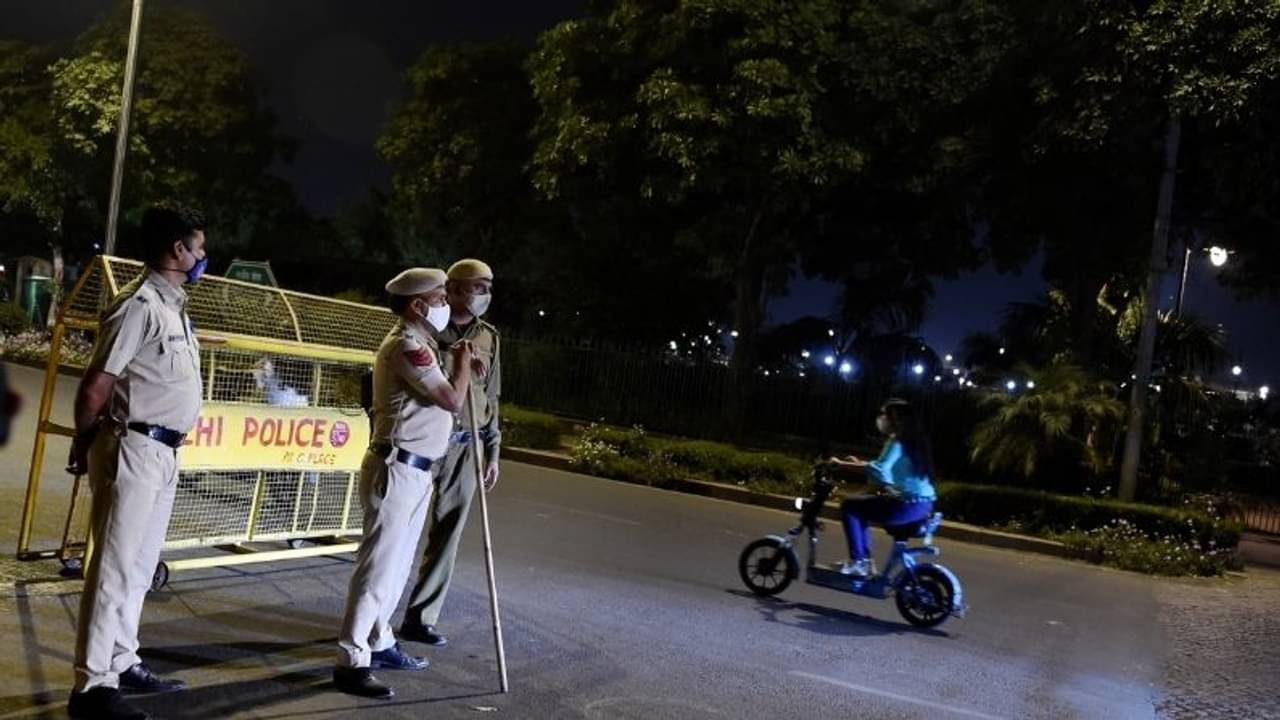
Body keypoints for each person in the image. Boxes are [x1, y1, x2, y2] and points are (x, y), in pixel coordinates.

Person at [66, 205, 209, 720]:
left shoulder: (174, 307)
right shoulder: (140, 306)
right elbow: (96, 387)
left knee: (139, 568)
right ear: (177, 251)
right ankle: (93, 688)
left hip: (162, 452)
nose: (202, 257)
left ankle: (122, 661)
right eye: (198, 248)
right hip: (133, 447)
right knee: (113, 569)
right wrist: (84, 443)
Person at [333, 267, 481, 700]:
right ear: (418, 305)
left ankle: (379, 642)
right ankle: (351, 659)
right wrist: (462, 368)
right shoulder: (406, 346)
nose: (444, 306)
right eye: (438, 299)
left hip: (417, 471)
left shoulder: (425, 345)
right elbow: (451, 398)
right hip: (396, 468)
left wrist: (459, 362)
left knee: (396, 569)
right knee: (378, 568)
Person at [401, 258, 500, 648]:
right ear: (455, 289)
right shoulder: (425, 329)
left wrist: (492, 450)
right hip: (425, 443)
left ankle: (421, 617)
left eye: (490, 287)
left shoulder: (489, 337)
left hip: (466, 446)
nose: (487, 295)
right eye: (480, 287)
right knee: (404, 531)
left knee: (448, 536)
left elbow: (491, 396)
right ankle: (376, 615)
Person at [827, 399, 937, 577]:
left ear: (897, 419)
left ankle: (858, 562)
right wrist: (859, 464)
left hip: (906, 506)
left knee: (850, 507)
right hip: (922, 505)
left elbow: (880, 470)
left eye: (886, 415)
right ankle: (865, 562)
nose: (882, 419)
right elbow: (884, 468)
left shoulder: (898, 441)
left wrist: (840, 464)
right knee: (861, 506)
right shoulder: (913, 441)